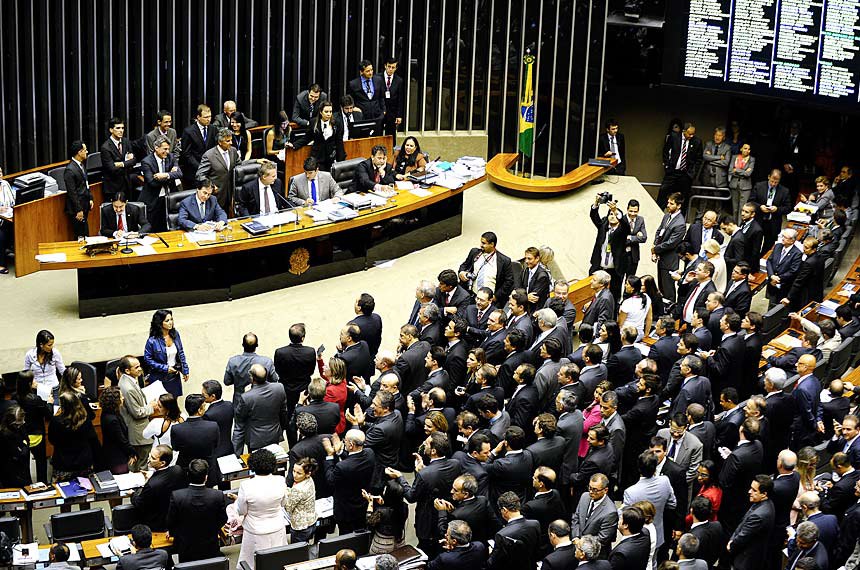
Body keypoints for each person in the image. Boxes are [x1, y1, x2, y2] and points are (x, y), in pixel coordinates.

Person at [234, 449, 289, 568]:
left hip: (255, 530)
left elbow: (242, 510)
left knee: (253, 564)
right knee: (277, 561)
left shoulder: (246, 485)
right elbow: (283, 503)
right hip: (277, 527)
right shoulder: (280, 481)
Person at [167, 459, 228, 562]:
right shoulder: (217, 495)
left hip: (186, 545)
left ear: (188, 475)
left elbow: (171, 521)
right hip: (210, 543)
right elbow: (223, 519)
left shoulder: (177, 496)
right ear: (206, 477)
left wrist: (177, 532)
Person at [323, 429, 378, 533]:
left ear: (351, 445)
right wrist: (340, 452)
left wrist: (330, 456)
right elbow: (354, 458)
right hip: (362, 504)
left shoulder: (341, 467)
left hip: (345, 510)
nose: (344, 442)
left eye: (345, 441)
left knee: (345, 536)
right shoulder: (370, 453)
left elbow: (330, 479)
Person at [274, 323, 317, 445]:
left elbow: (278, 370)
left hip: (286, 390)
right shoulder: (310, 352)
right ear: (302, 338)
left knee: (289, 419)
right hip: (304, 390)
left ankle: (293, 445)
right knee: (306, 417)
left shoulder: (280, 352)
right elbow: (311, 371)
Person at [232, 363, 288, 454]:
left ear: (252, 378)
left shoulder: (246, 397)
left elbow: (240, 419)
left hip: (255, 439)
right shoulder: (279, 388)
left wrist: (247, 393)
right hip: (274, 434)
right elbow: (283, 412)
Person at [131, 444, 186, 531]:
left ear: (162, 463)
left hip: (156, 524)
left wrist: (133, 494)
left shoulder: (151, 485)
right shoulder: (177, 470)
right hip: (175, 519)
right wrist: (153, 475)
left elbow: (140, 504)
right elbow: (166, 476)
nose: (149, 459)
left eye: (153, 458)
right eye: (150, 455)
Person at [171, 394, 221, 487]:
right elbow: (215, 445)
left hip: (186, 471)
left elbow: (176, 447)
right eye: (204, 407)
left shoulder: (176, 429)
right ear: (199, 410)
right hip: (207, 470)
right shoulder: (213, 426)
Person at [727, 476, 775, 570]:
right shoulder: (761, 503)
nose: (749, 492)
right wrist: (732, 539)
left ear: (764, 494)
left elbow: (743, 536)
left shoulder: (759, 515)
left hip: (746, 560)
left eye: (754, 490)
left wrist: (731, 545)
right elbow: (742, 524)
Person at [49, 392, 98, 482]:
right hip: (83, 462)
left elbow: (52, 440)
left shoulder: (56, 421)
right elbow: (92, 437)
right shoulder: (85, 419)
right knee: (86, 487)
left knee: (63, 488)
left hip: (63, 462)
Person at [589, 197, 631, 301]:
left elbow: (626, 226)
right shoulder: (603, 226)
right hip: (599, 268)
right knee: (594, 295)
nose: (613, 216)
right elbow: (594, 216)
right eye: (611, 214)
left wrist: (615, 210)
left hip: (614, 270)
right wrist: (596, 203)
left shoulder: (622, 230)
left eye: (615, 215)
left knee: (614, 296)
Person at [487, 491, 541, 569]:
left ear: (504, 510)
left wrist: (491, 553)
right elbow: (537, 551)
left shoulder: (502, 535)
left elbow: (494, 563)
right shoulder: (535, 524)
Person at [15, 372, 53, 483]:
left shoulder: (14, 397)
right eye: (33, 380)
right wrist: (49, 403)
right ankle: (42, 485)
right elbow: (48, 415)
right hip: (36, 436)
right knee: (41, 463)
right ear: (29, 384)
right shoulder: (35, 399)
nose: (35, 382)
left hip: (22, 436)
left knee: (24, 465)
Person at [223, 332, 279, 405]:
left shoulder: (233, 361)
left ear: (243, 345)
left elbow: (227, 381)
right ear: (257, 345)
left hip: (240, 402)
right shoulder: (267, 361)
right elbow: (274, 380)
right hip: (261, 402)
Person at [140, 136, 183, 230]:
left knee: (168, 226)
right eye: (165, 149)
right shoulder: (146, 161)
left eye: (168, 149)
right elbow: (152, 182)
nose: (167, 151)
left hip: (170, 197)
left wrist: (165, 175)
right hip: (153, 199)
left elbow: (180, 174)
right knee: (153, 227)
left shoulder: (171, 157)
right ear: (156, 148)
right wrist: (171, 175)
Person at [144, 309, 190, 397]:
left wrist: (185, 370)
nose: (170, 322)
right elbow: (148, 359)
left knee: (174, 399)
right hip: (159, 377)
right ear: (160, 323)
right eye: (167, 320)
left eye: (171, 319)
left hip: (174, 375)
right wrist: (165, 368)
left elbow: (181, 353)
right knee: (162, 401)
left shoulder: (175, 334)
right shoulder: (152, 341)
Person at [652, 193, 687, 303]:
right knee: (661, 288)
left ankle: (670, 310)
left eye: (671, 204)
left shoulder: (680, 223)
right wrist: (655, 246)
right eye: (668, 202)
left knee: (668, 291)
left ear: (678, 206)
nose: (668, 205)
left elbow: (671, 243)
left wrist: (655, 249)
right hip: (661, 257)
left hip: (669, 261)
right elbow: (659, 231)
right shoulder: (666, 216)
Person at [196, 128, 241, 212]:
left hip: (230, 193)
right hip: (216, 194)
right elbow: (200, 175)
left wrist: (255, 161)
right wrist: (211, 186)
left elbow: (240, 165)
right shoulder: (209, 155)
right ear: (220, 142)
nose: (231, 143)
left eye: (231, 140)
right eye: (228, 141)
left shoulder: (233, 151)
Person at [659, 123, 703, 208]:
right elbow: (666, 151)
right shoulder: (674, 137)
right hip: (672, 172)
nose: (691, 136)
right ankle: (659, 213)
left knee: (683, 198)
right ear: (684, 131)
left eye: (693, 134)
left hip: (686, 174)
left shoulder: (697, 141)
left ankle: (681, 215)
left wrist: (693, 173)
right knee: (663, 192)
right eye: (689, 134)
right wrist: (667, 165)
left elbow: (699, 159)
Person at [751, 169, 792, 256]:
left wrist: (777, 209)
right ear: (769, 177)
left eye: (776, 182)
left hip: (773, 223)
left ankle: (762, 259)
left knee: (768, 247)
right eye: (772, 181)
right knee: (754, 244)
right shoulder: (759, 186)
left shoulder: (784, 191)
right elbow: (751, 202)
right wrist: (760, 207)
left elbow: (788, 208)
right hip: (759, 221)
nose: (773, 184)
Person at [98, 386, 137, 474]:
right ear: (115, 400)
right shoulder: (112, 419)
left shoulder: (109, 413)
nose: (123, 398)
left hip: (114, 454)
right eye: (121, 396)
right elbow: (121, 440)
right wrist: (133, 452)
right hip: (116, 458)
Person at [365, 480, 409, 553]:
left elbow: (369, 521)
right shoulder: (404, 507)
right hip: (400, 543)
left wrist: (370, 503)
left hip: (382, 546)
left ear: (389, 494)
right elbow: (393, 513)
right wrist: (383, 504)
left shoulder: (381, 512)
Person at [179, 104, 217, 189]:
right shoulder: (188, 131)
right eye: (206, 117)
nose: (208, 119)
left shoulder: (213, 129)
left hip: (210, 171)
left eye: (210, 116)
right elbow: (187, 154)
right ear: (198, 117)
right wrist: (200, 166)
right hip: (193, 172)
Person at [100, 117, 136, 201]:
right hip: (113, 187)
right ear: (111, 130)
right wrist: (127, 163)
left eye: (122, 128)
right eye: (118, 128)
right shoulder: (105, 147)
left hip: (127, 185)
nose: (121, 130)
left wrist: (121, 164)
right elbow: (112, 169)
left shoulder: (126, 141)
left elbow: (134, 161)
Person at [24, 329, 65, 401]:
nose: (52, 347)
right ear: (41, 345)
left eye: (52, 344)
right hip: (37, 389)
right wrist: (32, 382)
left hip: (53, 387)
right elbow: (26, 373)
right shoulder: (29, 355)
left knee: (55, 407)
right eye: (49, 345)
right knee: (41, 407)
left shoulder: (55, 353)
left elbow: (62, 370)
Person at [63, 140, 94, 238]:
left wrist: (90, 198)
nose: (87, 152)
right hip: (77, 210)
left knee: (85, 234)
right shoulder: (70, 170)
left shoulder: (81, 165)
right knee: (80, 235)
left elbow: (86, 183)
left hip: (84, 205)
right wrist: (79, 210)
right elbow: (72, 193)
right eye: (85, 150)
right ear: (79, 152)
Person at [310, 100, 347, 171]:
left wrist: (341, 159)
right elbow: (307, 137)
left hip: (330, 157)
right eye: (326, 112)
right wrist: (294, 145)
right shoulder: (313, 122)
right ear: (321, 112)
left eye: (330, 112)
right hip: (318, 157)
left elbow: (339, 141)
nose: (329, 114)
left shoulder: (336, 123)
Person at [0, 406, 31, 488]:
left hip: (23, 466)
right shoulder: (4, 434)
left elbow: (27, 440)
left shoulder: (20, 426)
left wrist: (24, 446)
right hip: (10, 470)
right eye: (17, 424)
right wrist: (23, 447)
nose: (21, 424)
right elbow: (16, 453)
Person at [349, 293, 384, 357]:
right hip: (373, 356)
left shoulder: (352, 326)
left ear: (359, 308)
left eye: (356, 302)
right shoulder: (377, 318)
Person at [728, 143, 755, 223]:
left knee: (743, 208)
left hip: (745, 187)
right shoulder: (734, 157)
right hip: (734, 185)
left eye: (749, 149)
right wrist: (743, 171)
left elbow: (748, 174)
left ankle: (740, 225)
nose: (747, 150)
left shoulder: (751, 159)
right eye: (745, 148)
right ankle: (734, 224)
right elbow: (730, 170)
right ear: (741, 149)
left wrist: (736, 170)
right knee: (735, 208)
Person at [379, 58, 404, 140]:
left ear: (396, 68)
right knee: (378, 133)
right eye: (389, 66)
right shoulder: (377, 78)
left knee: (390, 136)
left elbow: (400, 99)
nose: (390, 69)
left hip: (392, 112)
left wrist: (399, 115)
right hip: (379, 110)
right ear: (385, 66)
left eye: (393, 67)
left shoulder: (399, 80)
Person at [0, 165, 14, 274]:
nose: (0, 175)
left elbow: (13, 201)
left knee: (18, 228)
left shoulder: (5, 184)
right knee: (1, 236)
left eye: (0, 172)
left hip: (7, 218)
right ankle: (1, 263)